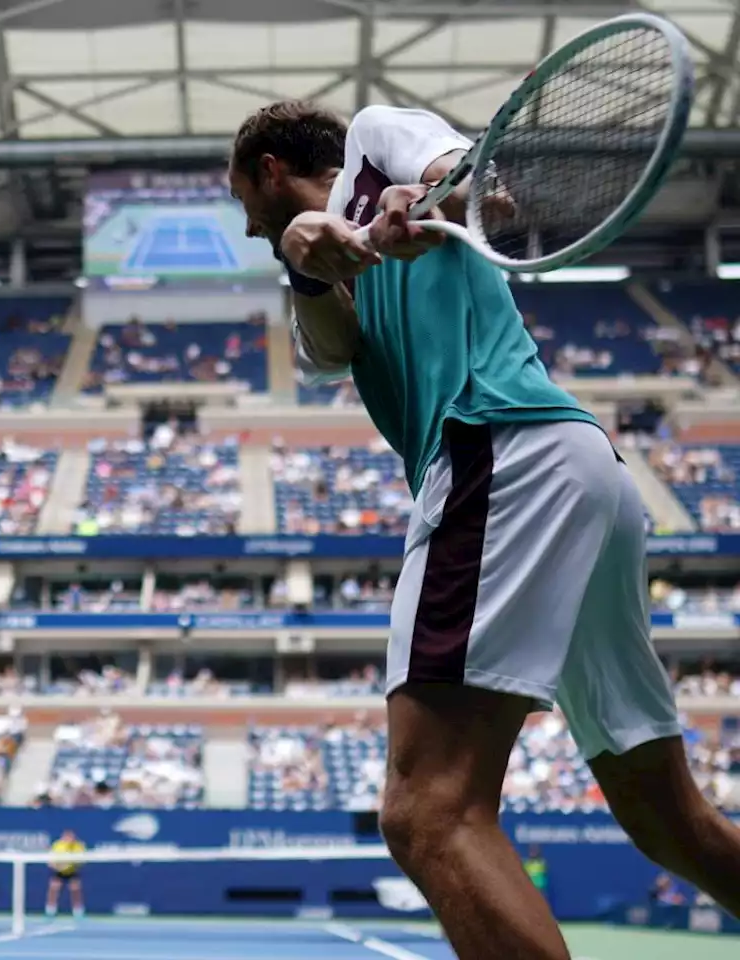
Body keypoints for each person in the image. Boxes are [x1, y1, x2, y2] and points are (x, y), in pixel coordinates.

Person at [227, 99, 740, 960]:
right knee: (666, 820)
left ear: (270, 168)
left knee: (427, 809)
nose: (245, 225)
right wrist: (309, 258)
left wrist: (419, 200)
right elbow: (331, 343)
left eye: (244, 202)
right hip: (581, 477)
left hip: (500, 452)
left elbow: (464, 181)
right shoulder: (312, 272)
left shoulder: (372, 136)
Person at [44, 829, 84, 919]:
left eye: (71, 837)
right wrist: (57, 866)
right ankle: (50, 911)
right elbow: (50, 861)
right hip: (58, 871)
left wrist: (73, 864)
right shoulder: (57, 845)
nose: (69, 839)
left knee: (76, 890)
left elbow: (81, 860)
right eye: (67, 837)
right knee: (53, 889)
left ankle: (78, 912)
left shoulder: (78, 846)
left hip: (72, 871)